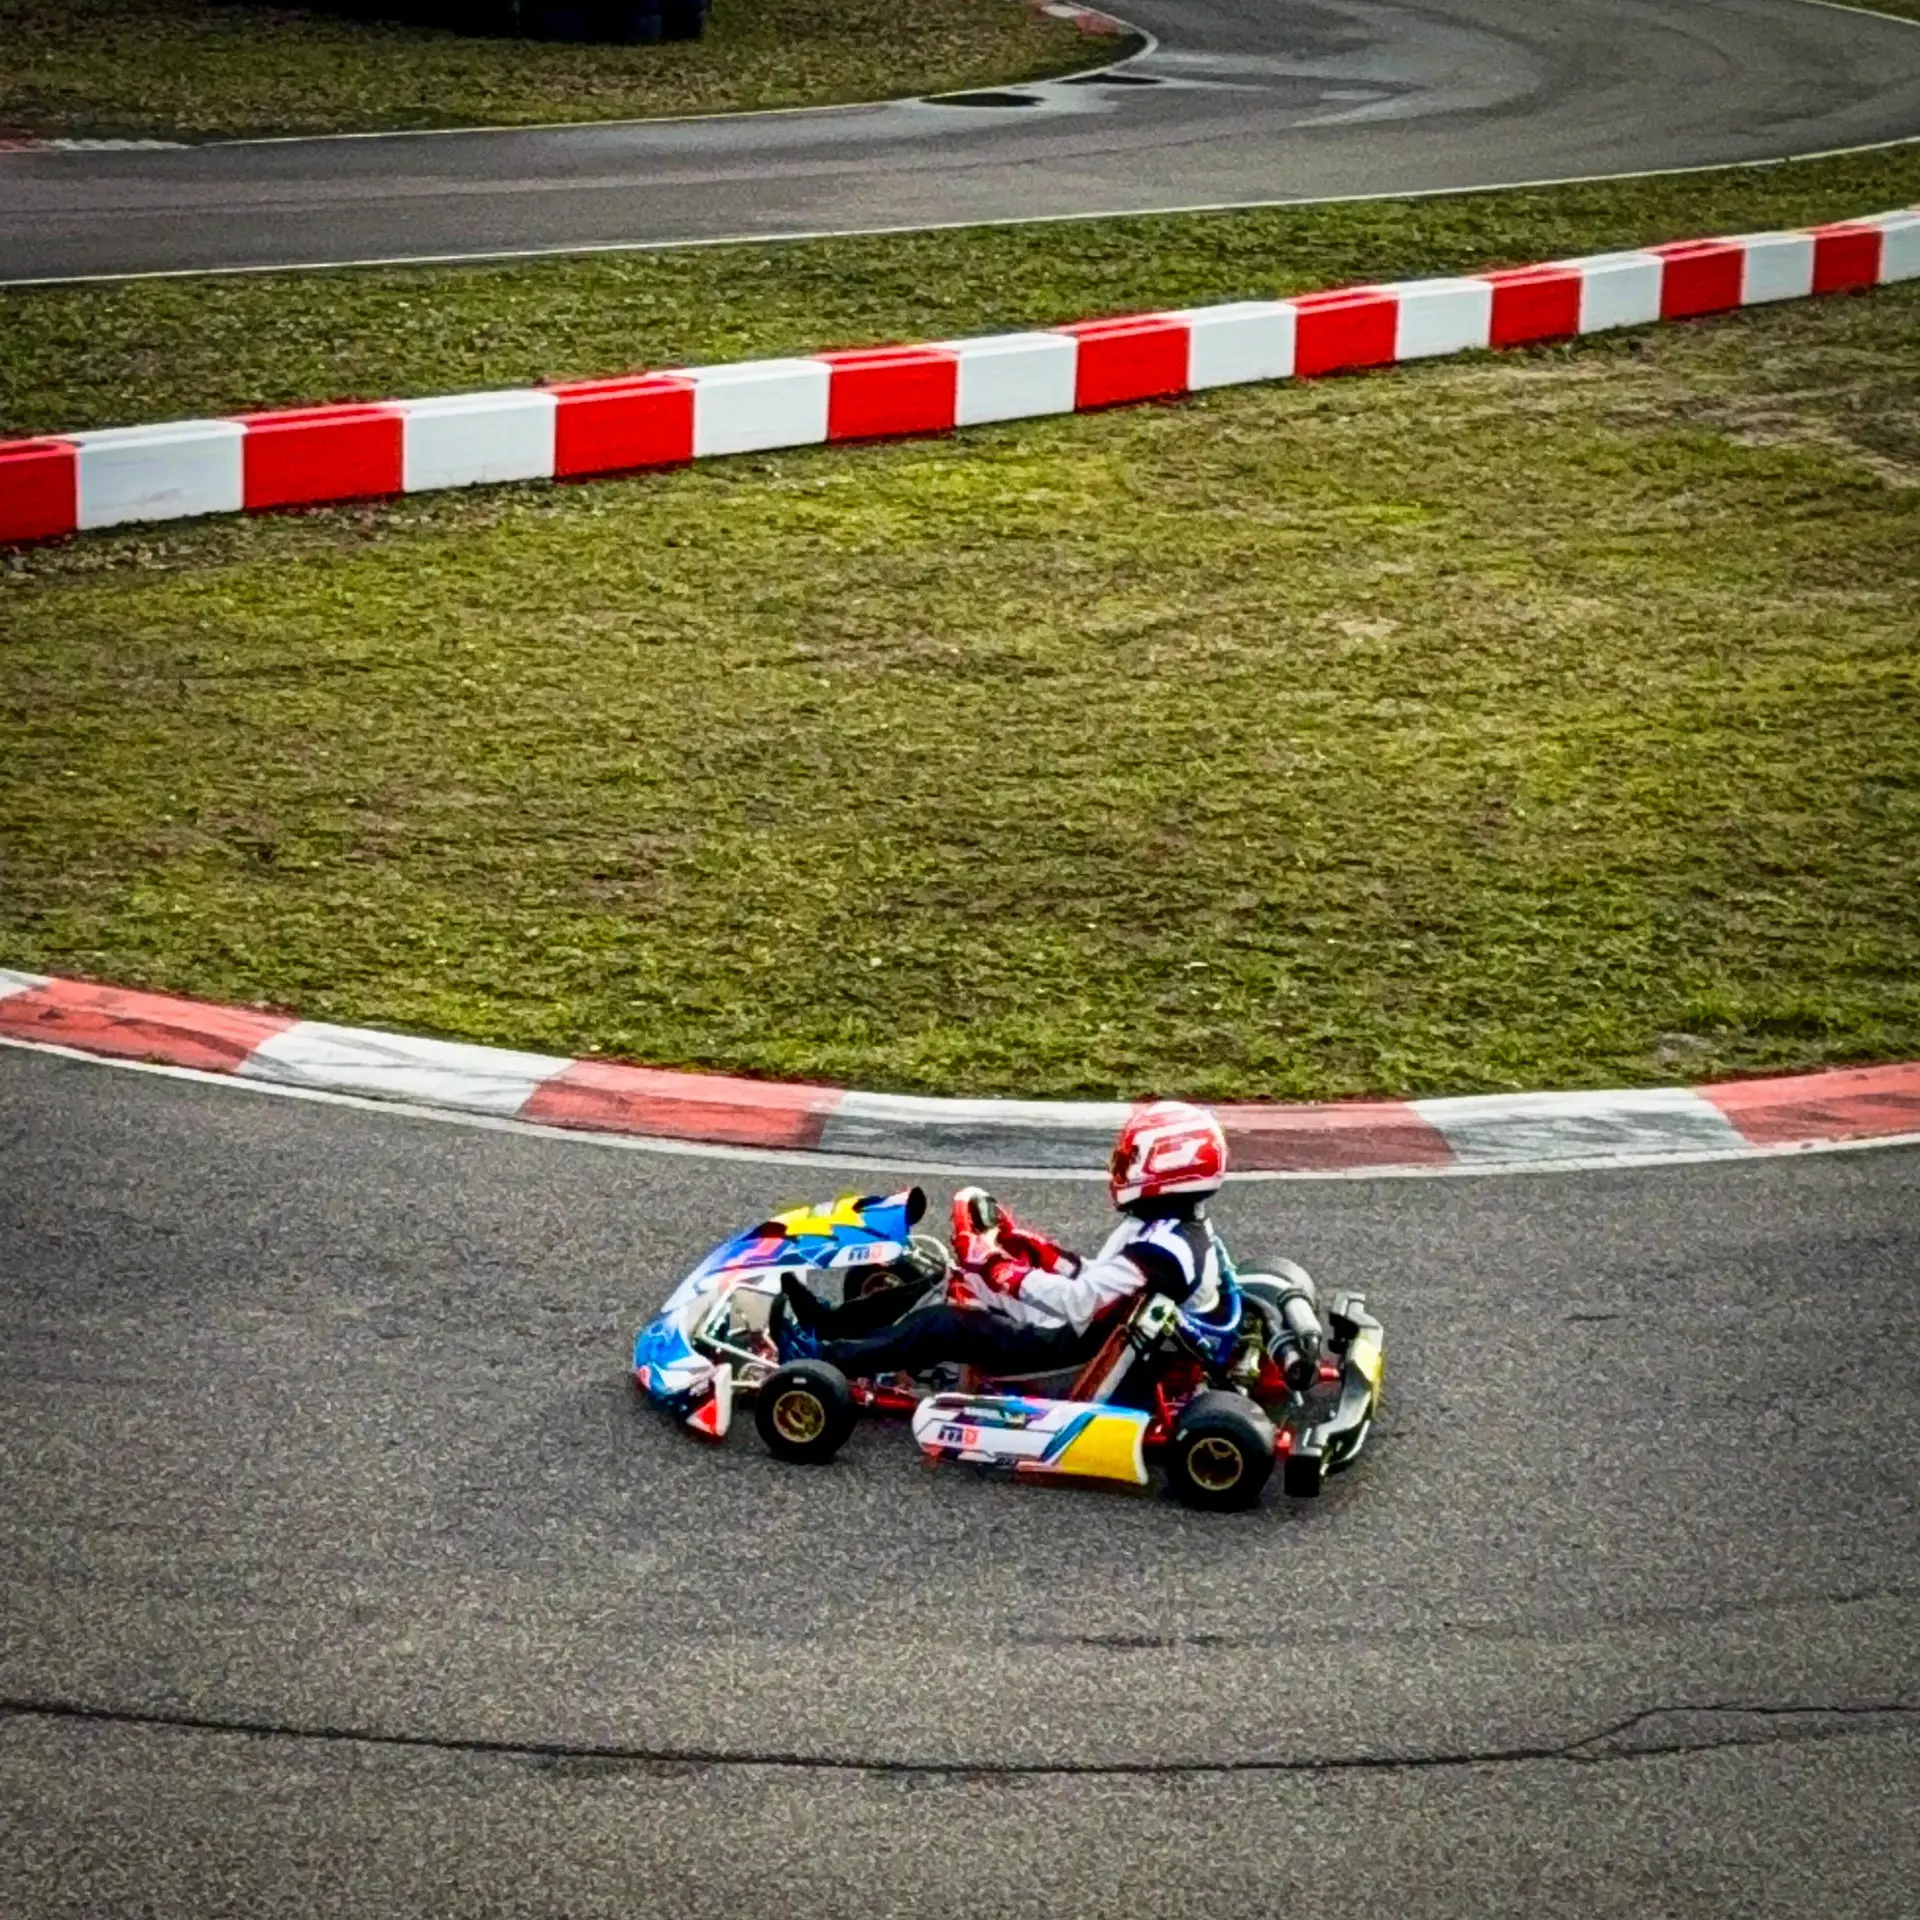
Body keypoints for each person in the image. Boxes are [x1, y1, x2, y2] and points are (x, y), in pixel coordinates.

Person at [772, 1100, 1230, 1382]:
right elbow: (1099, 1280)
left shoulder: (1164, 1252)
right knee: (949, 1276)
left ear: (1170, 1169)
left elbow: (1079, 1302)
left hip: (1064, 1350)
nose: (1119, 1169)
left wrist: (999, 1269)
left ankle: (825, 1359)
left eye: (1130, 1160)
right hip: (1083, 1330)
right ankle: (829, 1323)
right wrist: (1036, 1251)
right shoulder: (1166, 1231)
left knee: (943, 1324)